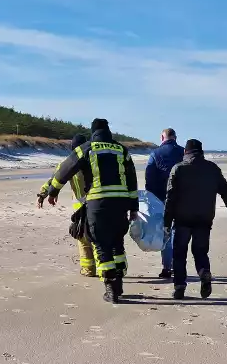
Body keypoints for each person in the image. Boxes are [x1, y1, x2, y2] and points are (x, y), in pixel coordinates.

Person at [44, 118, 139, 304]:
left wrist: (52, 191)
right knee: (117, 243)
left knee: (101, 243)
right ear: (108, 130)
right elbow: (132, 180)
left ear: (92, 131)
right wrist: (133, 207)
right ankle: (118, 282)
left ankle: (110, 288)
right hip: (120, 204)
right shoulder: (121, 150)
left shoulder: (86, 149)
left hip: (98, 204)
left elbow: (65, 170)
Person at [163, 139, 227, 300]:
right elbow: (226, 191)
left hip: (182, 219)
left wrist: (166, 222)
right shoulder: (212, 169)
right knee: (200, 251)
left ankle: (179, 287)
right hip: (204, 219)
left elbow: (170, 197)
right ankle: (204, 272)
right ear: (201, 152)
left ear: (185, 152)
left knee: (179, 254)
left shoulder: (178, 169)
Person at [37, 134, 96, 277]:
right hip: (98, 204)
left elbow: (54, 180)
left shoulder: (68, 163)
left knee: (83, 239)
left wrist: (43, 194)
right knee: (98, 239)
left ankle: (88, 270)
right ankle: (105, 270)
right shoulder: (96, 161)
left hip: (80, 208)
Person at [144, 128, 184, 279]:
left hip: (162, 198)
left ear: (162, 137)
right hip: (182, 197)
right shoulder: (184, 152)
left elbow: (149, 178)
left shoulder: (155, 154)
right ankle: (179, 266)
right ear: (175, 137)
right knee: (179, 232)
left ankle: (167, 267)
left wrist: (150, 197)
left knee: (166, 232)